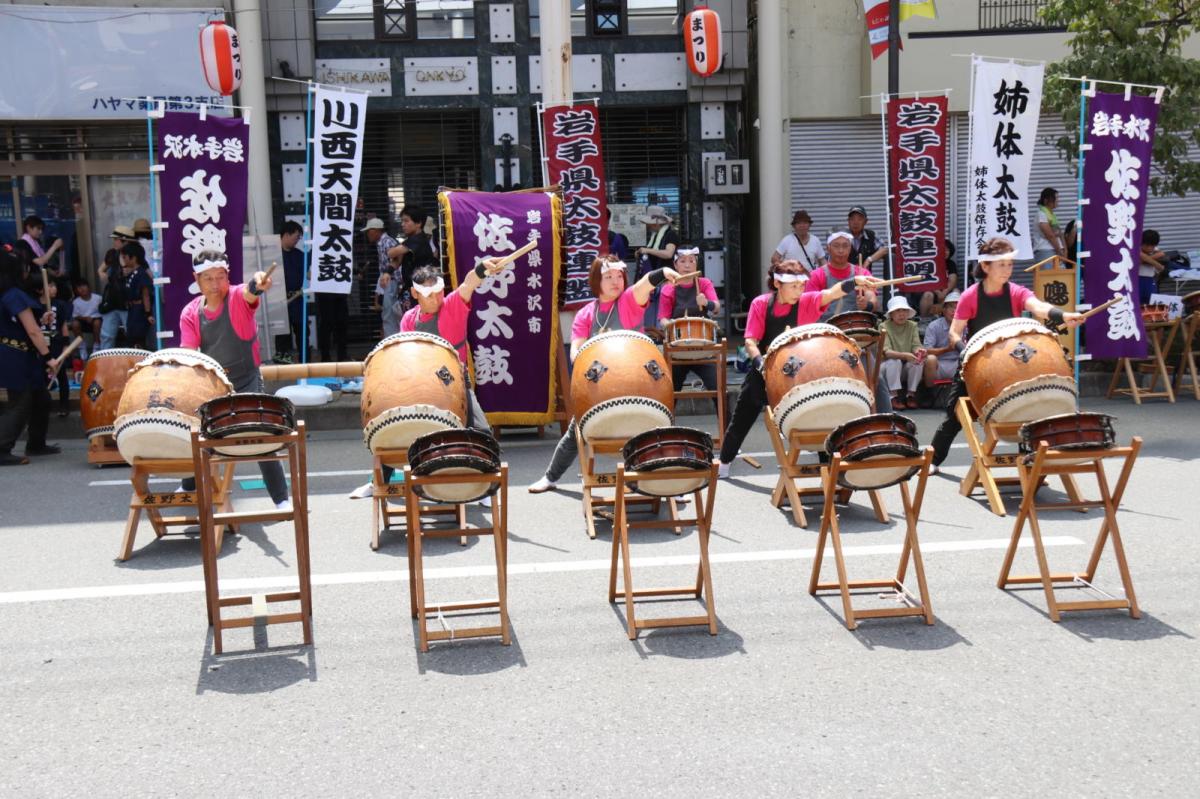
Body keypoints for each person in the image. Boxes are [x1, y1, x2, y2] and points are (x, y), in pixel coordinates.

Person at [349, 258, 512, 500]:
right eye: (429, 294)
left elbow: (468, 284)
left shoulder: (453, 305)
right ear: (415, 293)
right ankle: (377, 482)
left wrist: (481, 269)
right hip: (418, 384)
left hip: (454, 384)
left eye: (439, 292)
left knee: (481, 430)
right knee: (390, 427)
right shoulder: (409, 319)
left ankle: (484, 485)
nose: (436, 299)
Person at [927, 237, 1083, 474]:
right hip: (977, 361)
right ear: (986, 266)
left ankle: (1030, 462)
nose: (1007, 270)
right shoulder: (971, 295)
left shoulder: (1015, 292)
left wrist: (1062, 316)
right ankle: (934, 460)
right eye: (1002, 265)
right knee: (956, 415)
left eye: (1010, 264)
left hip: (1012, 361)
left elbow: (1037, 306)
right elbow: (954, 334)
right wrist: (967, 352)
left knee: (1027, 404)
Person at [716, 260, 885, 477]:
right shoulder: (761, 303)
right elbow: (751, 341)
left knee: (821, 409)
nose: (799, 291)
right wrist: (762, 366)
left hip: (801, 368)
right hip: (766, 365)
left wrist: (855, 282)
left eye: (801, 286)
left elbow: (832, 293)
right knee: (743, 413)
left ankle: (830, 468)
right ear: (777, 284)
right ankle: (725, 461)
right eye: (793, 287)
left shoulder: (806, 301)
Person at [528, 255, 680, 493]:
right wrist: (581, 359)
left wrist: (660, 273)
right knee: (574, 432)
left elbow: (643, 286)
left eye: (619, 276)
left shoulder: (628, 302)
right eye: (608, 276)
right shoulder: (586, 314)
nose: (615, 281)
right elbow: (576, 350)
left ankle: (669, 484)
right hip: (602, 390)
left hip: (638, 386)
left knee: (658, 430)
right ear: (596, 281)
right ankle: (550, 477)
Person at [178, 251, 290, 511]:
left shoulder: (238, 298)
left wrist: (258, 283)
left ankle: (281, 497)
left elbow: (252, 290)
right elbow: (188, 351)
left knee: (261, 434)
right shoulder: (191, 312)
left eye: (220, 277)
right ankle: (188, 484)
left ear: (228, 276)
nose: (215, 284)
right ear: (197, 279)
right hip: (212, 384)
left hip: (247, 379)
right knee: (196, 430)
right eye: (208, 278)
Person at [805, 231, 891, 411]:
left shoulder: (861, 272)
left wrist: (866, 304)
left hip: (856, 338)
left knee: (876, 377)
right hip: (825, 337)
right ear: (828, 248)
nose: (841, 250)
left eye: (845, 246)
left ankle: (887, 418)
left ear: (850, 248)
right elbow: (808, 306)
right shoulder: (817, 275)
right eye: (836, 246)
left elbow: (874, 301)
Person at [0, 246, 59, 464]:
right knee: (20, 402)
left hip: (20, 353)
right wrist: (49, 357)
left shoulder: (9, 294)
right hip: (15, 355)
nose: (26, 271)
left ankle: (36, 443)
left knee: (40, 397)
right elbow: (32, 331)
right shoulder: (13, 294)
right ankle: (2, 447)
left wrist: (40, 320)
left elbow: (27, 325)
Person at [657, 246, 721, 402]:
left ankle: (726, 426)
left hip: (703, 348)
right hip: (678, 349)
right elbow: (663, 318)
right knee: (669, 394)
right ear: (675, 265)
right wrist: (671, 325)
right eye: (683, 261)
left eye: (691, 261)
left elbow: (717, 308)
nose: (687, 265)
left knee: (718, 390)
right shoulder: (669, 288)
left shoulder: (704, 283)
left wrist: (706, 303)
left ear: (696, 264)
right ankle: (668, 425)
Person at [379, 205, 437, 316]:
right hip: (413, 291)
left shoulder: (418, 240)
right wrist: (387, 272)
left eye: (406, 221)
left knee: (417, 327)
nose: (402, 224)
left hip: (421, 291)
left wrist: (393, 249)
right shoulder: (411, 241)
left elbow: (391, 252)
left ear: (418, 223)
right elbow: (397, 260)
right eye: (402, 221)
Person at [879, 295, 924, 410]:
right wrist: (905, 355)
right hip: (886, 367)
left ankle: (911, 395)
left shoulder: (912, 325)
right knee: (895, 361)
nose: (902, 314)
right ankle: (893, 396)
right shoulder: (883, 326)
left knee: (918, 362)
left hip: (904, 366)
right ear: (891, 314)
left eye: (904, 310)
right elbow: (886, 352)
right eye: (898, 310)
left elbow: (915, 345)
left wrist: (919, 351)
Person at [275, 220, 306, 362]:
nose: (297, 241)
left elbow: (308, 274)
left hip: (297, 298)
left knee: (302, 330)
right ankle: (282, 358)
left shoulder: (300, 255)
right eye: (296, 237)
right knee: (282, 333)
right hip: (280, 300)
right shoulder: (273, 254)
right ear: (286, 235)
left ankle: (305, 359)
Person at [921, 290, 962, 389]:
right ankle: (930, 392)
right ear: (943, 310)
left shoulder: (967, 324)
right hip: (939, 364)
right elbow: (927, 350)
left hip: (959, 363)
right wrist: (947, 349)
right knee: (930, 359)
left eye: (958, 308)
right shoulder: (934, 326)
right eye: (951, 307)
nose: (954, 311)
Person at [120, 241, 155, 350]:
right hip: (132, 309)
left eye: (125, 257)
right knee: (131, 337)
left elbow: (145, 295)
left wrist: (148, 313)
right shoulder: (132, 273)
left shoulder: (141, 273)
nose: (124, 260)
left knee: (138, 339)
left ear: (133, 258)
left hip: (139, 311)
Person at [917, 239, 961, 318]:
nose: (946, 252)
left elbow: (953, 279)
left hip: (946, 292)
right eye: (943, 250)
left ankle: (954, 317)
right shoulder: (929, 263)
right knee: (928, 294)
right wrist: (938, 293)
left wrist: (944, 292)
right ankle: (924, 319)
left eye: (947, 250)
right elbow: (927, 280)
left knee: (956, 291)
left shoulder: (951, 263)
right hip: (933, 292)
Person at [634, 205, 679, 279]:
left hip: (666, 277)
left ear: (656, 223)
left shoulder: (670, 234)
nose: (647, 226)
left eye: (649, 223)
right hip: (655, 276)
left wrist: (648, 250)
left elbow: (668, 254)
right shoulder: (654, 235)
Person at [96, 248, 127, 351]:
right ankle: (105, 361)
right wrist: (109, 278)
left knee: (131, 333)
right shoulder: (113, 253)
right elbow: (100, 271)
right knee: (107, 335)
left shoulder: (131, 251)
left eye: (116, 239)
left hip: (126, 301)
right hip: (111, 301)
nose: (115, 241)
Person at [846, 206, 887, 273]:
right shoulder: (842, 237)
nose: (855, 222)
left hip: (865, 278)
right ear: (848, 221)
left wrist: (869, 259)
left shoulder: (871, 235)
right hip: (845, 278)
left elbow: (884, 249)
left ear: (865, 221)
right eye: (852, 219)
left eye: (859, 219)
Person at [70, 278, 102, 359]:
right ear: (76, 291)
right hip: (83, 321)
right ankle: (81, 346)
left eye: (84, 286)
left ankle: (97, 345)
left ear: (89, 287)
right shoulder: (76, 302)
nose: (82, 289)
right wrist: (85, 318)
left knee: (97, 322)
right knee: (74, 324)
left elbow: (102, 312)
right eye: (79, 287)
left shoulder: (98, 298)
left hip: (96, 320)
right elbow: (75, 315)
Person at [1031, 187, 1065, 263]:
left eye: (1057, 198)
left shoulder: (1052, 215)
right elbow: (1050, 235)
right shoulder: (1041, 214)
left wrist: (1064, 249)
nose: (1057, 200)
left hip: (1055, 250)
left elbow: (1059, 233)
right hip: (1046, 251)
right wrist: (1059, 251)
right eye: (1055, 198)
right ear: (1046, 200)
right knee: (1048, 274)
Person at [1138, 229, 1167, 305]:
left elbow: (1162, 254)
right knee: (1138, 302)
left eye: (1152, 246)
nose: (1150, 248)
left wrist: (1147, 260)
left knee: (1151, 303)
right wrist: (1158, 265)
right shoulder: (1136, 249)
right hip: (1137, 279)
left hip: (1150, 280)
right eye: (1147, 245)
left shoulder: (1155, 250)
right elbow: (1139, 259)